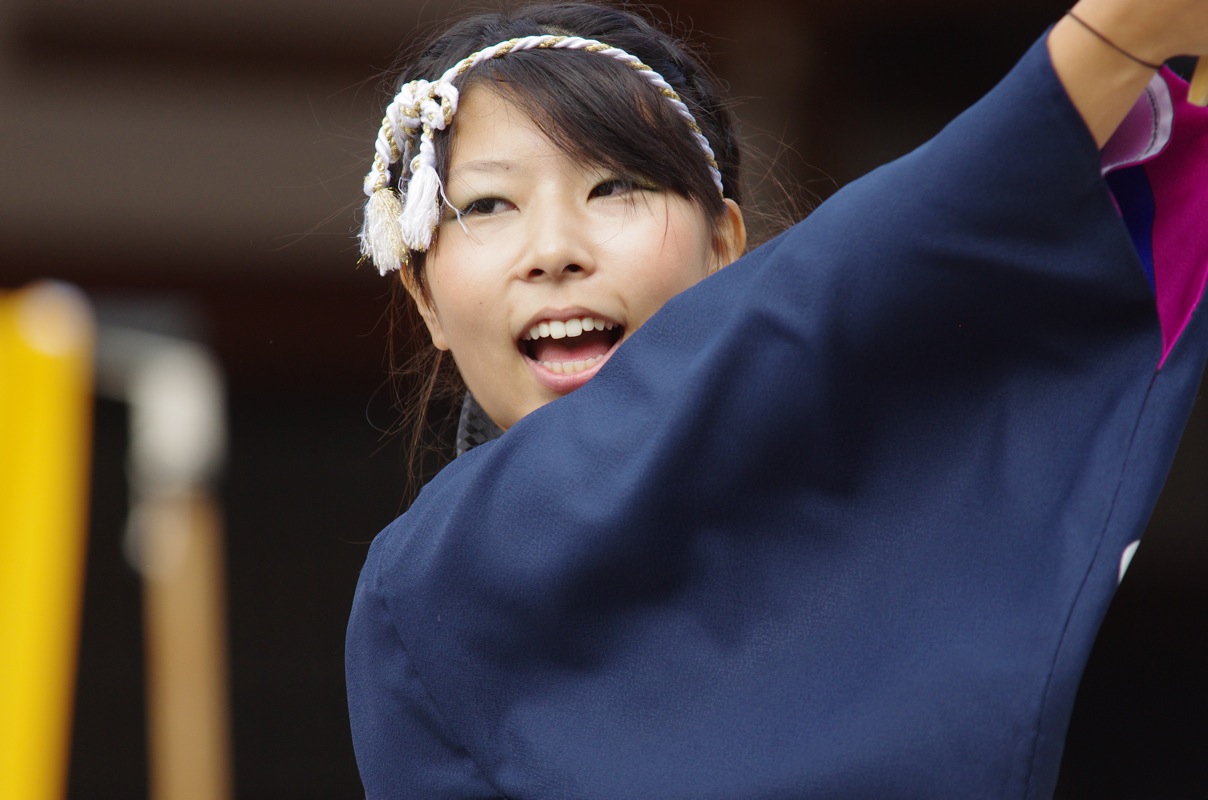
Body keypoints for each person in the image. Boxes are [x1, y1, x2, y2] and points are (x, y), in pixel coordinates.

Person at [345, 0, 1208, 797]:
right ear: (427, 301)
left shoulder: (864, 489)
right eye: (488, 204)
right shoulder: (427, 580)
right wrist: (1103, 52)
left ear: (726, 249)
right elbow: (833, 299)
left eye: (616, 187)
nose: (554, 250)